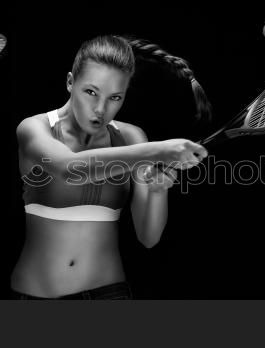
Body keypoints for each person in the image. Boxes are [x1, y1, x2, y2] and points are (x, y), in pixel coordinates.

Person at [12, 35, 210, 299]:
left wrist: (157, 190)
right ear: (70, 82)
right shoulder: (35, 128)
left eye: (115, 97)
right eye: (91, 92)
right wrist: (158, 150)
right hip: (36, 297)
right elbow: (70, 169)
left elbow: (148, 237)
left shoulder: (131, 138)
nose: (101, 109)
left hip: (109, 295)